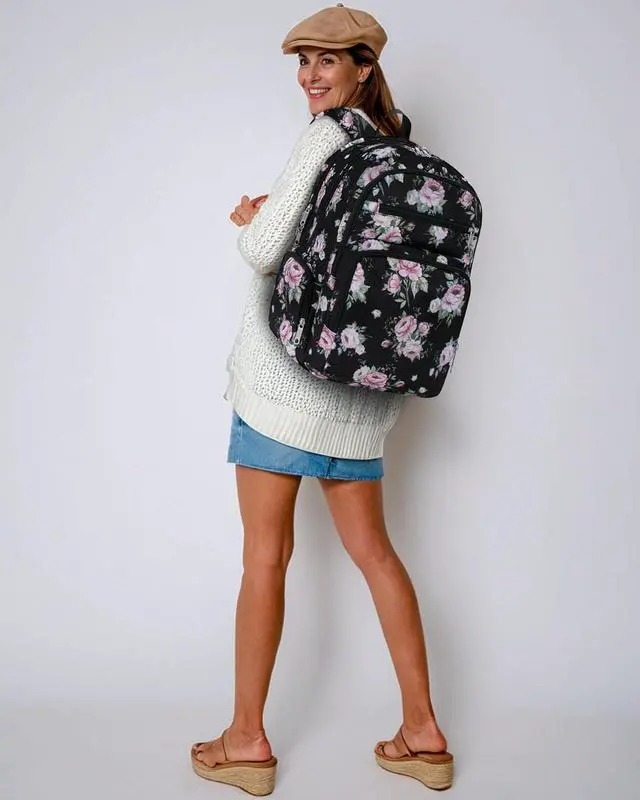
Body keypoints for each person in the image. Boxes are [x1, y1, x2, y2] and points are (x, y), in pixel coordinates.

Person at [191, 5, 453, 794]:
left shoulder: (326, 137)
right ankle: (423, 734)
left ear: (364, 67)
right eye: (303, 60)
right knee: (377, 555)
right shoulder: (395, 146)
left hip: (284, 384)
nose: (310, 75)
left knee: (265, 558)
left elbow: (264, 250)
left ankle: (246, 742)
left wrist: (253, 220)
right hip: (362, 397)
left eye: (328, 60)